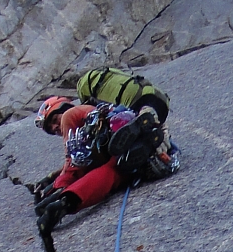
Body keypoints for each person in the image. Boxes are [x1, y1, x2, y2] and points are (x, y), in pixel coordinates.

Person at [31, 74, 172, 236]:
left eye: (54, 119)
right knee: (113, 170)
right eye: (51, 129)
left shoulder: (72, 115)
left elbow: (73, 162)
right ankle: (68, 202)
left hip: (104, 128)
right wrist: (53, 183)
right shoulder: (79, 132)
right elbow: (77, 163)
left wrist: (57, 185)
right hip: (113, 152)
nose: (56, 126)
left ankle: (127, 133)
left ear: (63, 106)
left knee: (83, 161)